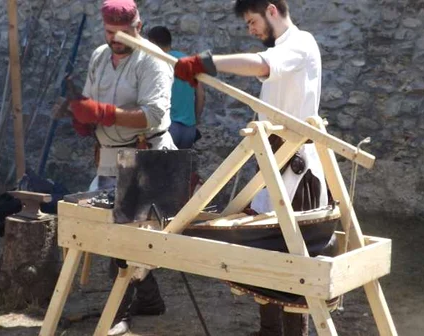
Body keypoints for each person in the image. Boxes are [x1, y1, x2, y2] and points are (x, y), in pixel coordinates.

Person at [173, 1, 327, 335]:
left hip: (295, 172)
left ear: (272, 10)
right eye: (247, 24)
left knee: (292, 258)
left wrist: (207, 63)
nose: (251, 30)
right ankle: (268, 331)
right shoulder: (283, 48)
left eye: (252, 21)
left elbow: (261, 65)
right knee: (263, 247)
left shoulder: (301, 43)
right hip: (270, 165)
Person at [68, 1, 175, 334]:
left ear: (138, 28)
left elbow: (153, 115)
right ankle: (149, 299)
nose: (116, 38)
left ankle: (120, 311)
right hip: (111, 156)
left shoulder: (153, 60)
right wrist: (82, 118)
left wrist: (104, 114)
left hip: (146, 155)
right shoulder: (100, 56)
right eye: (110, 32)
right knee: (108, 232)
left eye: (123, 33)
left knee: (124, 237)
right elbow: (89, 101)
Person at [147, 26, 205, 149]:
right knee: (183, 167)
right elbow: (201, 95)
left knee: (161, 167)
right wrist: (195, 119)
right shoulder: (189, 62)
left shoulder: (158, 63)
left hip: (167, 129)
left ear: (152, 43)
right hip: (189, 129)